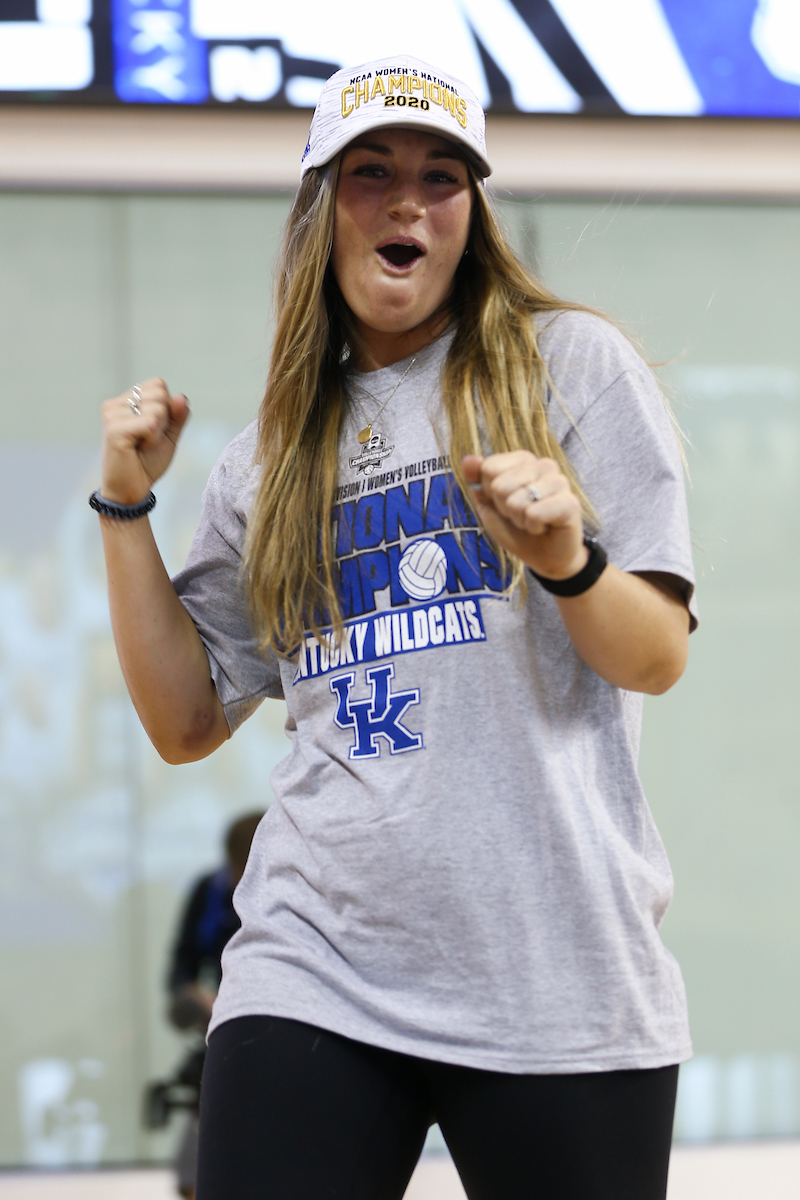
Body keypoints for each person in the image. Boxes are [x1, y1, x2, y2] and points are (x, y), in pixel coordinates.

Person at [94, 54, 697, 1200]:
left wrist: (564, 560)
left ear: (472, 212)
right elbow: (183, 722)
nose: (405, 202)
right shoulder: (267, 459)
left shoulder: (571, 367)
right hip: (313, 958)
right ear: (322, 208)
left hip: (555, 968)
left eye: (438, 177)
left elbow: (654, 656)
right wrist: (125, 505)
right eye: (370, 173)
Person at [164, 811, 264, 1199]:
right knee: (197, 1175)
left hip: (282, 1024)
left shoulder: (294, 889)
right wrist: (194, 994)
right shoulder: (209, 891)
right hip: (222, 1027)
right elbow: (180, 965)